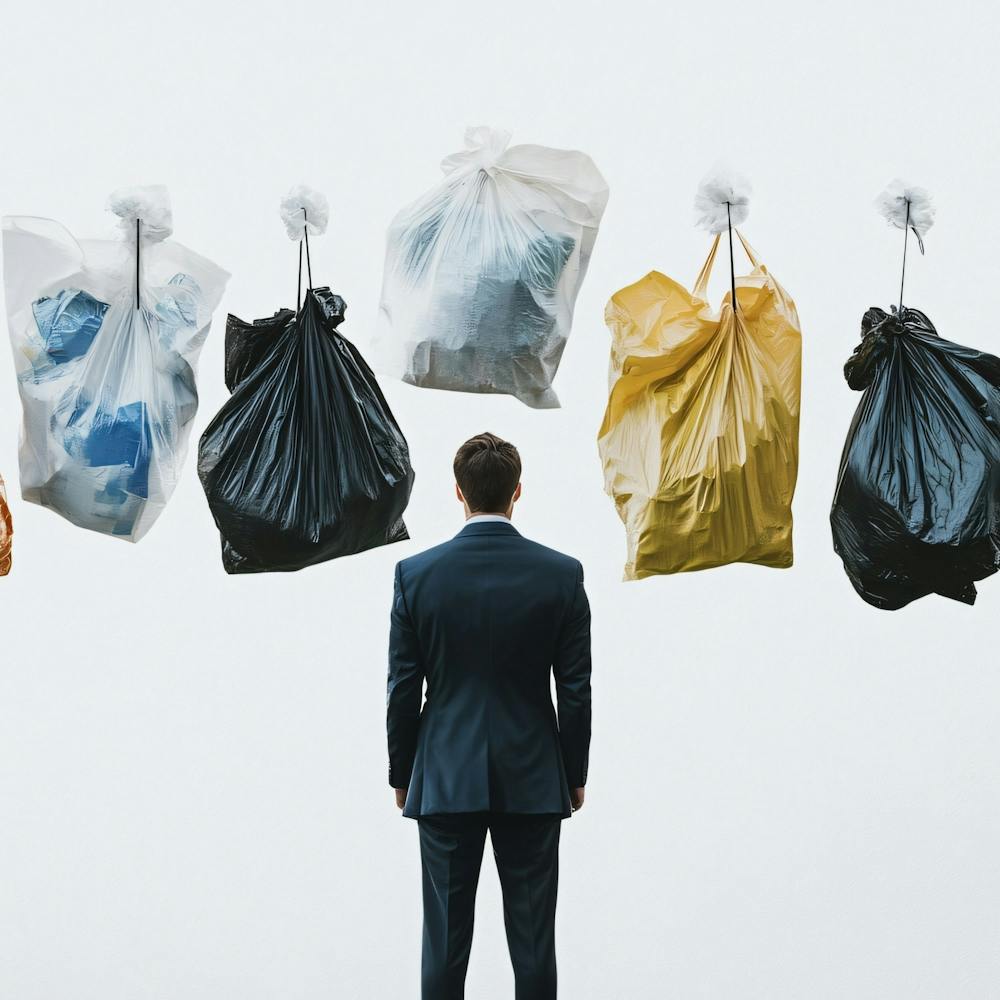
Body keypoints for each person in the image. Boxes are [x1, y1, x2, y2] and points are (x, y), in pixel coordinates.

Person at [386, 432, 592, 1000]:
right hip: (532, 779)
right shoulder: (561, 574)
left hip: (446, 778)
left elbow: (403, 689)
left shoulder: (416, 575)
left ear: (459, 492)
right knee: (533, 948)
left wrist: (403, 774)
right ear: (516, 492)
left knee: (445, 949)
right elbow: (575, 689)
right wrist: (573, 774)